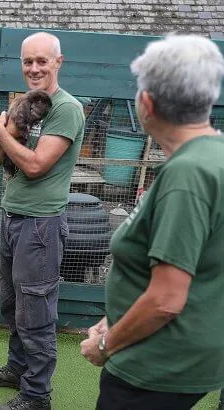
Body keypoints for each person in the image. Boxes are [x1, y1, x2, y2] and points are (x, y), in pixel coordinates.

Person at [80, 34, 224, 410]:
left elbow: (165, 300)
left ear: (146, 103)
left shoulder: (188, 175)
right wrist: (114, 319)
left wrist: (105, 344)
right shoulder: (214, 157)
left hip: (156, 366)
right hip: (187, 355)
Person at [0, 32, 85, 410]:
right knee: (12, 304)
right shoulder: (25, 104)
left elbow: (36, 166)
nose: (34, 68)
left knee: (36, 313)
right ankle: (17, 367)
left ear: (59, 62)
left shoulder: (65, 109)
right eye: (28, 62)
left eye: (42, 61)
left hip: (41, 226)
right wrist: (4, 133)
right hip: (14, 217)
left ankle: (37, 395)